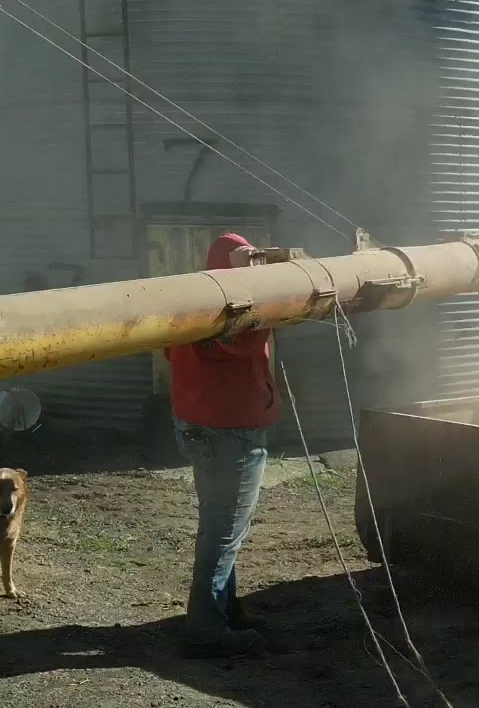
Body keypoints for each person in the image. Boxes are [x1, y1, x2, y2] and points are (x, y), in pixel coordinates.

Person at [164, 232, 279, 658]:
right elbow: (245, 338)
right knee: (225, 530)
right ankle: (206, 628)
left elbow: (167, 350)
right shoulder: (234, 305)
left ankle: (226, 611)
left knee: (219, 525)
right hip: (231, 430)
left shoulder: (188, 300)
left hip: (196, 424)